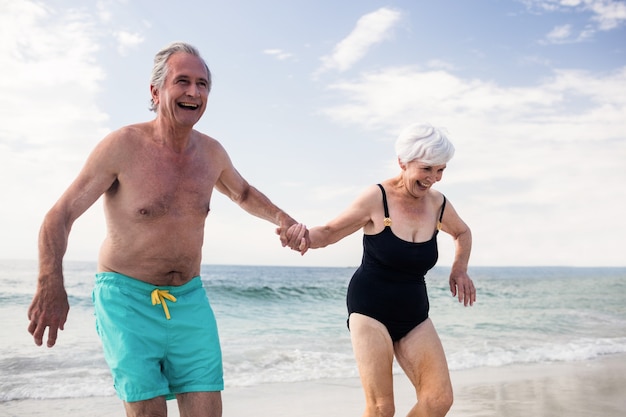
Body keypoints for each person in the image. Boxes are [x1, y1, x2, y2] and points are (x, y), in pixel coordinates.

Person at [27, 41, 304, 417]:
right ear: (156, 91)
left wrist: (284, 221)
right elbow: (58, 216)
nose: (194, 92)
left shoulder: (211, 153)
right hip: (126, 300)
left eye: (203, 84)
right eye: (183, 82)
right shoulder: (122, 146)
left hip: (189, 300)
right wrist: (50, 281)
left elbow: (243, 193)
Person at [285, 122, 475, 417]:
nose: (434, 179)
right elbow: (331, 231)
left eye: (440, 170)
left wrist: (459, 269)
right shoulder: (377, 198)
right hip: (369, 308)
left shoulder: (438, 204)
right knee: (381, 409)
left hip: (413, 311)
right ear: (403, 161)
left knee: (439, 400)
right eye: (427, 169)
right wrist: (303, 237)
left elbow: (462, 233)